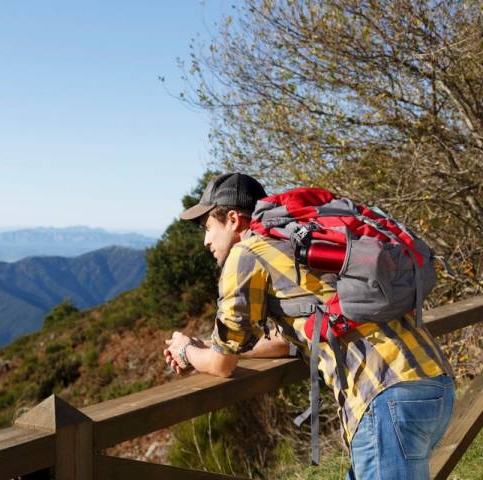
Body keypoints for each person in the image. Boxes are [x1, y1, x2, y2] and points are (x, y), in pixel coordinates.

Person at [164, 172, 455, 479]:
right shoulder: (298, 240)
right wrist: (212, 347)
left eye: (208, 227)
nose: (206, 240)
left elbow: (222, 364)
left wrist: (186, 351)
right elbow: (288, 340)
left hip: (385, 396)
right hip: (433, 382)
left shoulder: (246, 253)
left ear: (234, 220)